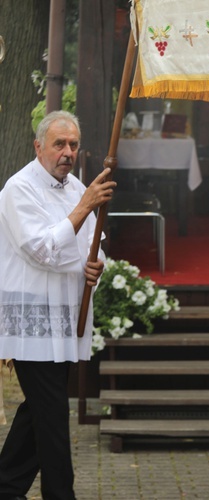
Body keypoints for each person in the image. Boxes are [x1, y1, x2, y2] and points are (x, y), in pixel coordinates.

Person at [0, 110, 115, 499]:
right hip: (33, 323)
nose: (67, 152)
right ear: (38, 146)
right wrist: (84, 206)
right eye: (59, 144)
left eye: (73, 145)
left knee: (37, 413)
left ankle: (8, 485)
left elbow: (91, 248)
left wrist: (97, 266)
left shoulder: (75, 187)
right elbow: (40, 250)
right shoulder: (18, 189)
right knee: (52, 418)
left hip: (65, 318)